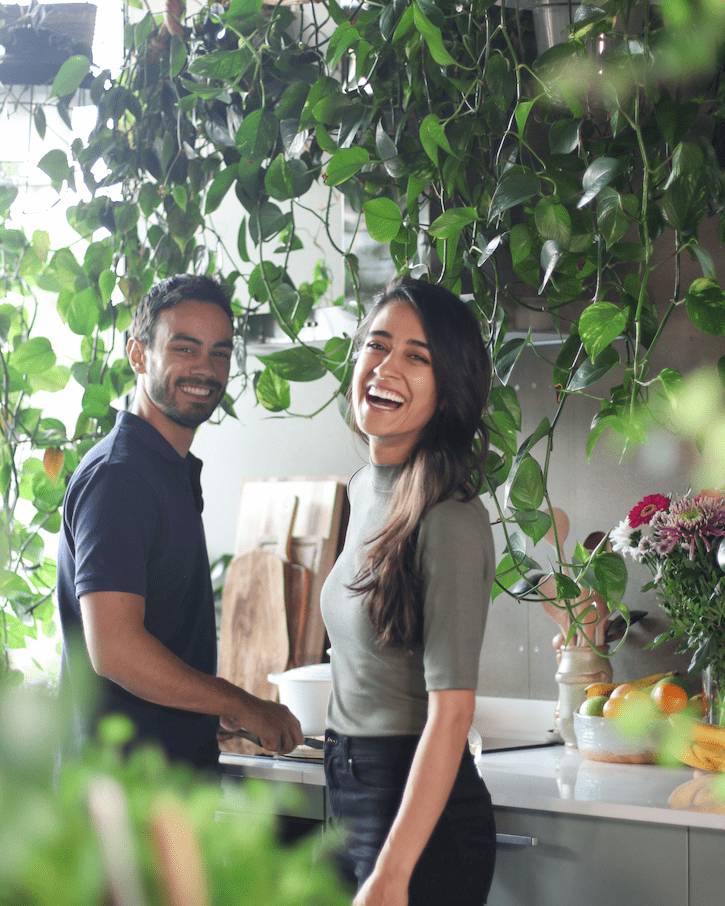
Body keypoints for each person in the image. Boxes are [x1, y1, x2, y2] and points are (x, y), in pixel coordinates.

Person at [56, 274, 303, 770]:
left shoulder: (163, 469)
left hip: (160, 790)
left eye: (219, 353)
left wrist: (205, 711)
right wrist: (241, 703)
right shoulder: (121, 479)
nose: (206, 369)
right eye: (185, 349)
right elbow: (116, 649)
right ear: (138, 354)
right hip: (125, 801)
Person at [320, 278, 497, 905]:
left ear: (448, 388)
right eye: (378, 344)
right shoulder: (364, 486)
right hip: (348, 788)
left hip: (418, 818)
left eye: (417, 357)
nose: (386, 367)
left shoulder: (448, 517)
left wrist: (393, 871)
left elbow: (451, 714)